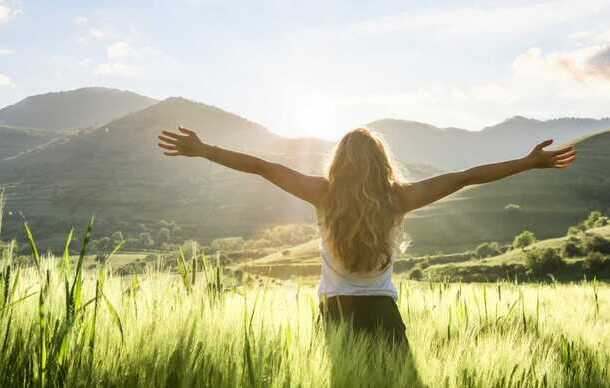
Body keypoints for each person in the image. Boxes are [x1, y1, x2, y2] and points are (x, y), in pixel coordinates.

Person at [157, 126, 575, 348]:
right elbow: (465, 177)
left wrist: (205, 150)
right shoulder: (400, 199)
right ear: (382, 163)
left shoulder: (321, 193)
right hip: (383, 314)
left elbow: (263, 167)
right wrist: (526, 163)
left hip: (334, 312)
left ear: (339, 162)